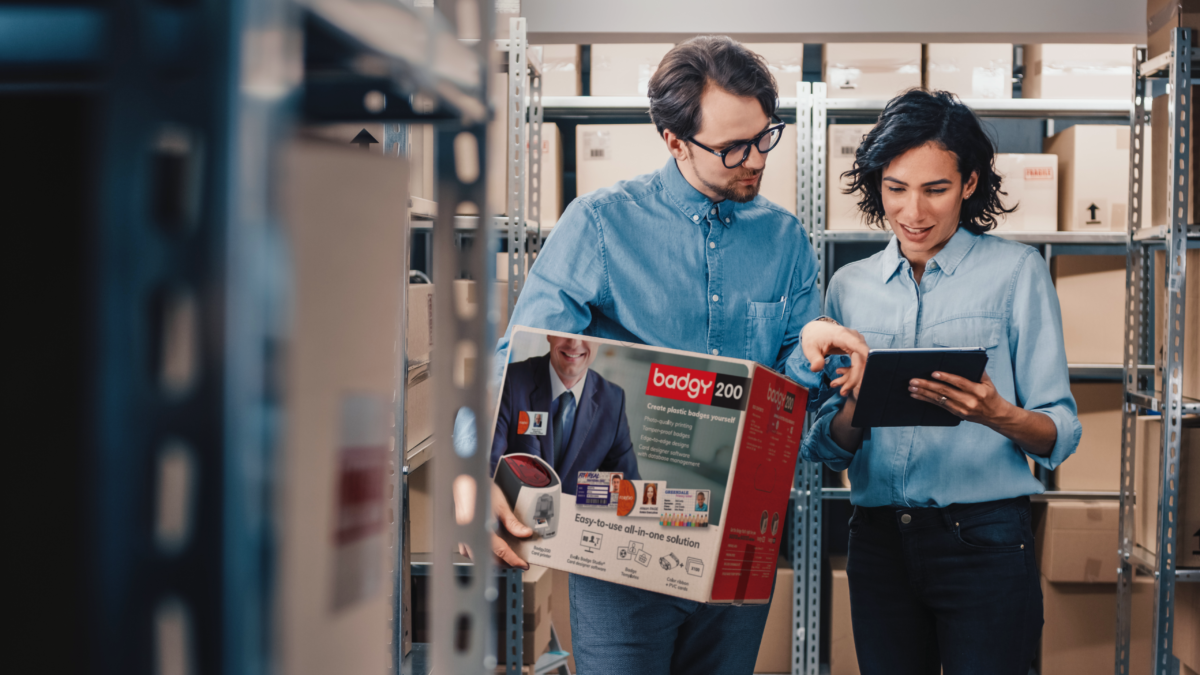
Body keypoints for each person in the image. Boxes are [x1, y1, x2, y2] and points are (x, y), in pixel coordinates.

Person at [483, 35, 870, 675]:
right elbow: (520, 360)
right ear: (673, 140)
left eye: (764, 137)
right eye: (731, 149)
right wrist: (485, 459)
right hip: (622, 547)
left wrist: (807, 359)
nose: (755, 161)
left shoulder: (785, 241)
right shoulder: (602, 225)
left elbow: (795, 414)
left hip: (739, 547)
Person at [797, 89, 1082, 675]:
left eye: (935, 189)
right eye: (896, 188)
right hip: (878, 542)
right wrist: (855, 403)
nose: (913, 213)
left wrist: (995, 413)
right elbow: (826, 448)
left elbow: (1060, 433)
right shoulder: (849, 286)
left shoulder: (1016, 273)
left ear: (970, 184)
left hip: (985, 539)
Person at [489, 335, 638, 494]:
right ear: (548, 334)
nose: (574, 343)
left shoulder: (613, 401)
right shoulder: (512, 380)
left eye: (587, 334)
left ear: (601, 339)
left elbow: (627, 490)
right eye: (567, 331)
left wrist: (590, 498)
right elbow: (488, 467)